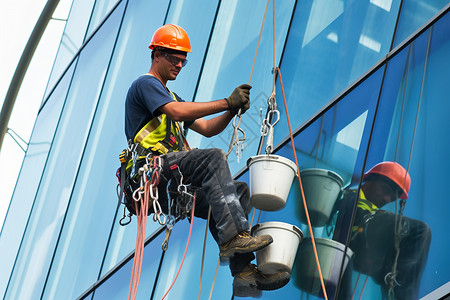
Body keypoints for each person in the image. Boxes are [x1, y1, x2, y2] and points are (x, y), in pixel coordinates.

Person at [123, 24, 289, 298]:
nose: (179, 64)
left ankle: (242, 271)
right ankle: (234, 239)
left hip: (173, 183)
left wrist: (231, 109)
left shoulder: (171, 96)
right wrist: (226, 101)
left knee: (237, 192)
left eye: (183, 60)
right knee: (212, 158)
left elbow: (208, 128)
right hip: (153, 174)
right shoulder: (145, 85)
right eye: (174, 58)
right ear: (156, 55)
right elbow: (176, 112)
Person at [333, 162, 431, 300]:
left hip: (361, 250)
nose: (387, 199)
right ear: (370, 179)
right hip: (355, 238)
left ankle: (392, 282)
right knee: (420, 230)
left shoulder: (369, 210)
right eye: (385, 190)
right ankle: (401, 292)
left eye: (392, 198)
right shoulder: (351, 197)